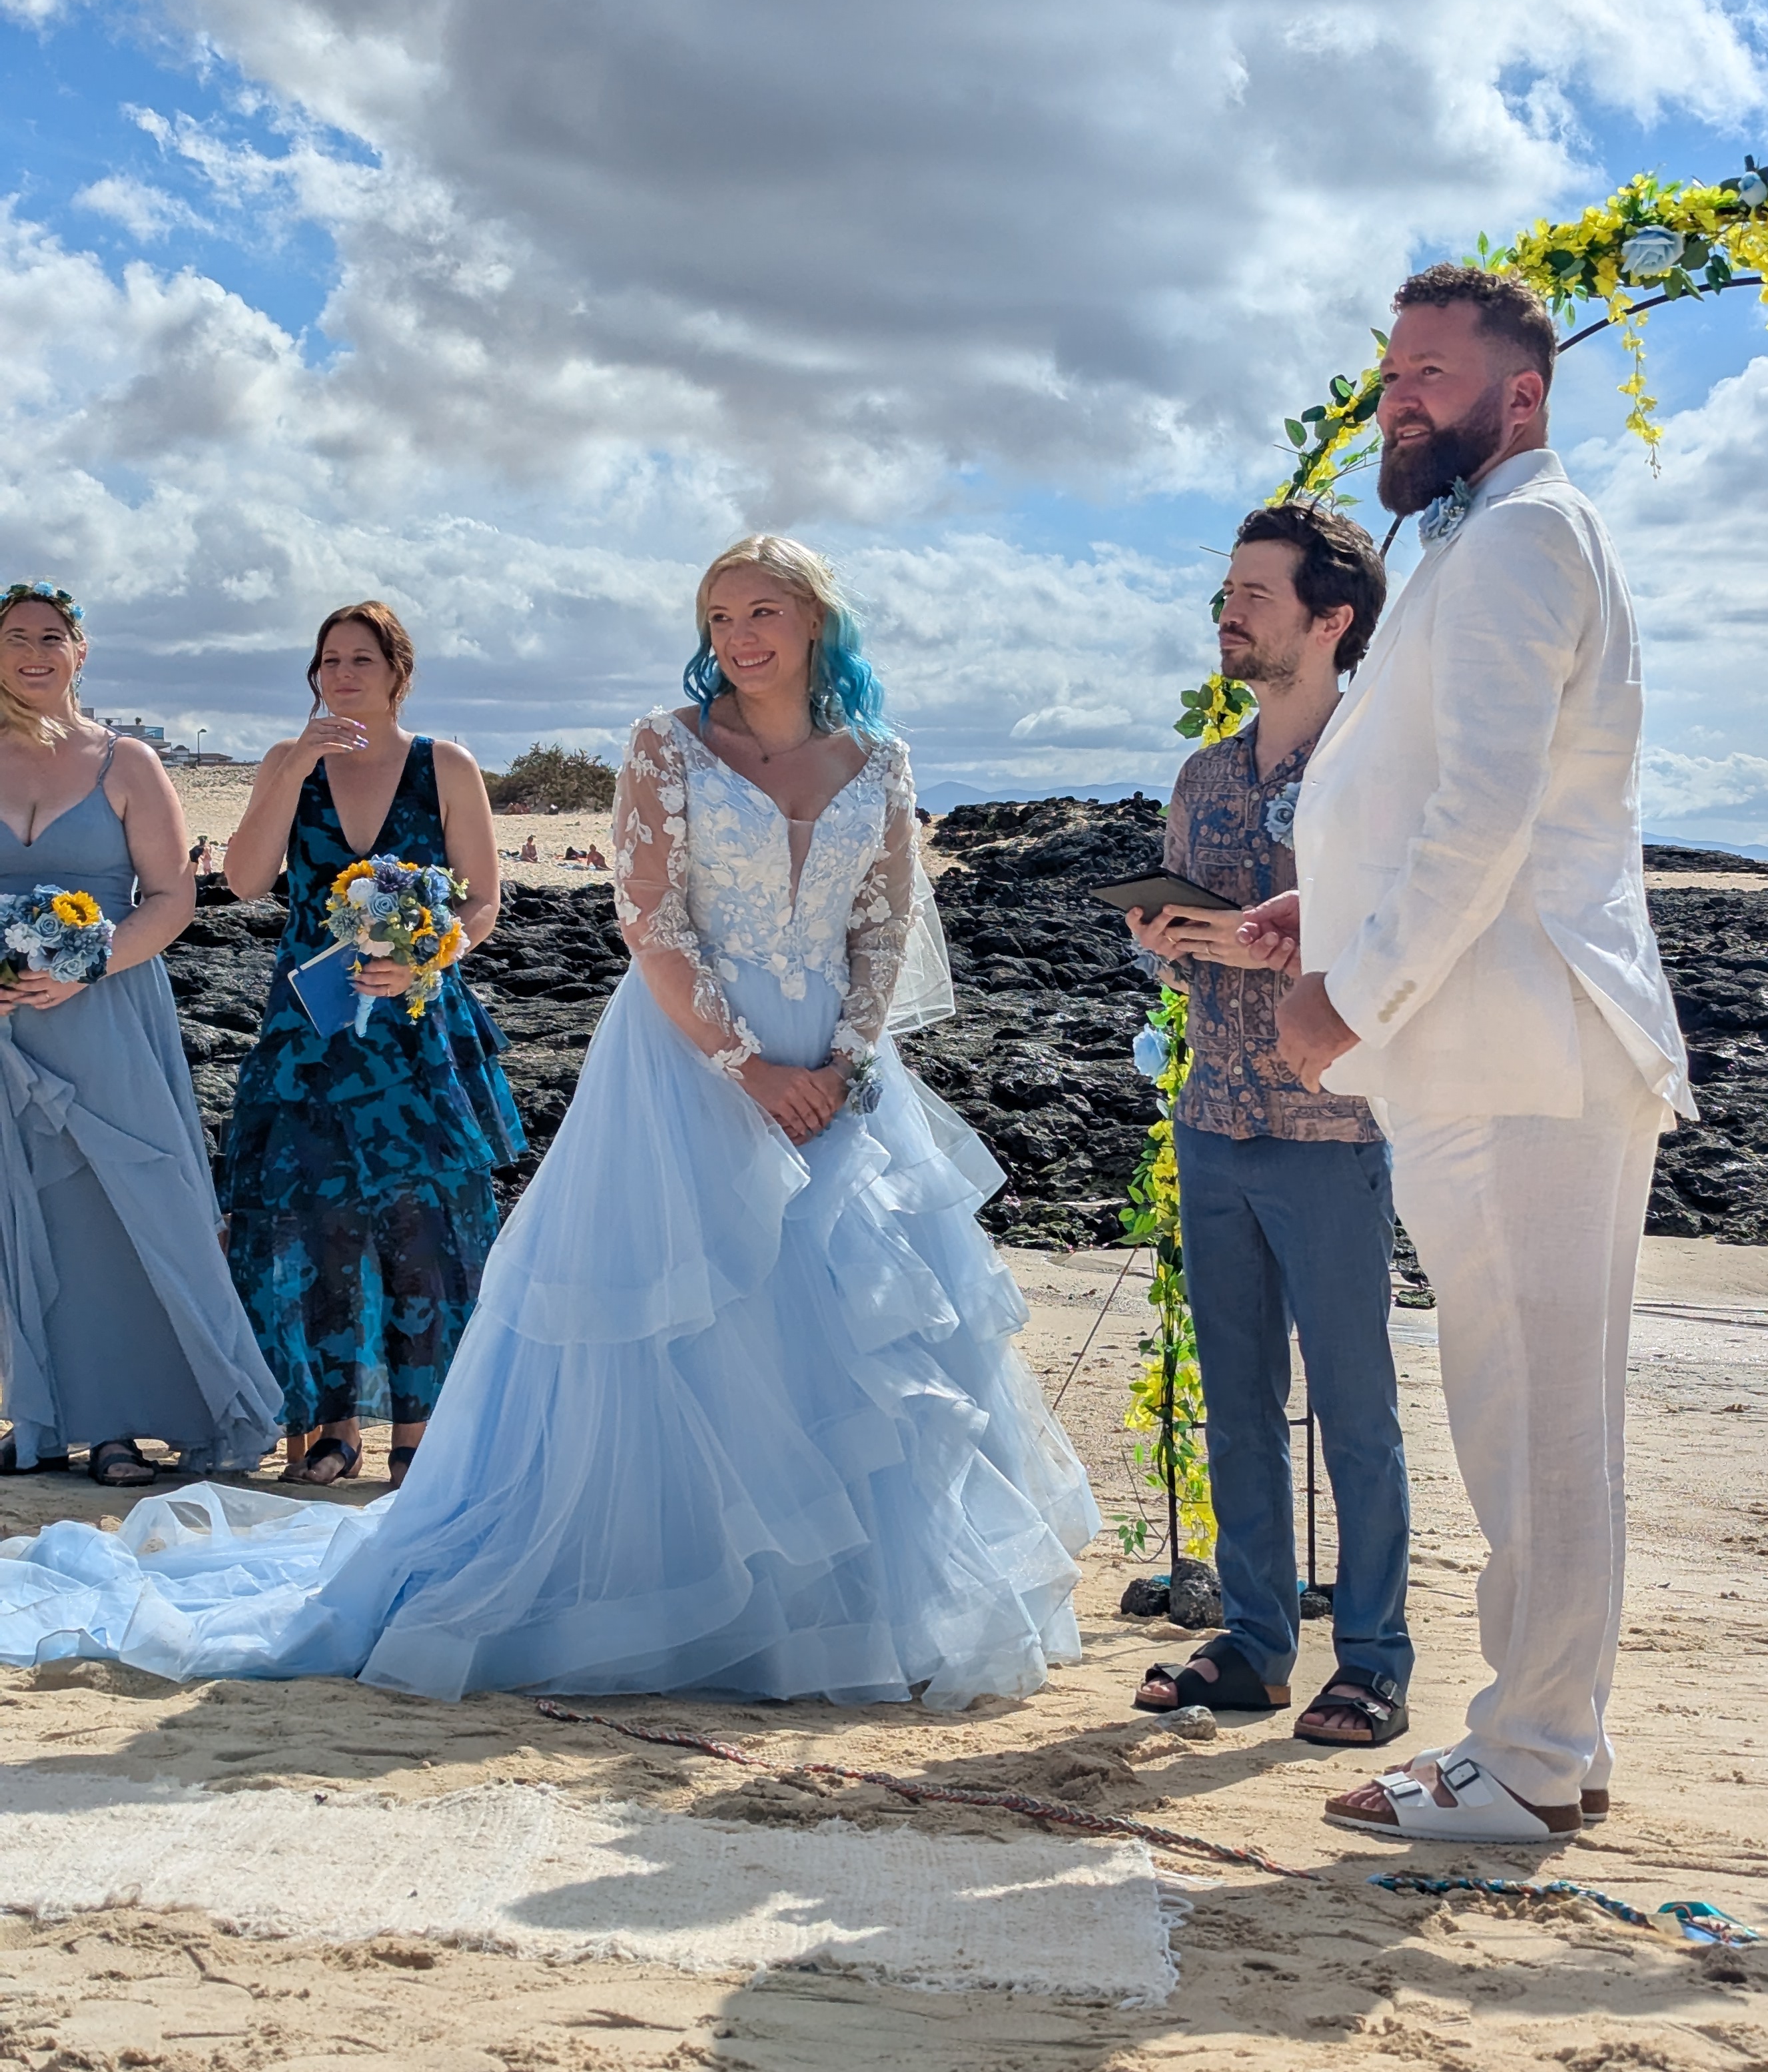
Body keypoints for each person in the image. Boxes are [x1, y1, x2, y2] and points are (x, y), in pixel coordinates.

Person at [0, 538, 1097, 1706]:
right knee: (640, 1298)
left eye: (763, 612)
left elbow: (881, 925)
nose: (738, 636)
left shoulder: (877, 759)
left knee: (841, 1312)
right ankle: (604, 1553)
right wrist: (745, 1063)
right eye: (718, 614)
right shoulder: (663, 745)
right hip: (659, 1057)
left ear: (820, 622)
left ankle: (845, 1608)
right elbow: (647, 920)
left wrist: (843, 1056)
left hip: (820, 1057)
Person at [1244, 265, 1692, 1843]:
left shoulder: (1520, 537)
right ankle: (1548, 1732)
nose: (1399, 400)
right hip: (1492, 1037)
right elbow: (1460, 799)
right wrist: (1333, 904)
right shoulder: (1485, 537)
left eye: (1429, 372)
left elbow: (1489, 815)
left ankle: (1532, 1757)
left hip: (1519, 1043)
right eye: (1388, 377)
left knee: (1539, 1409)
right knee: (1519, 1403)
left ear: (1525, 393)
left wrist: (1353, 996)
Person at [1124, 502, 1412, 1749]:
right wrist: (1168, 944)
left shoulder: (1381, 767)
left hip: (1337, 1126)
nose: (1229, 613)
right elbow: (1189, 970)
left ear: (1332, 617)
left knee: (1355, 1406)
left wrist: (1280, 939)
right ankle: (1251, 1646)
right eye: (1223, 594)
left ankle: (1375, 1660)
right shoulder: (1202, 776)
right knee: (1236, 1400)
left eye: (1255, 593)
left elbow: (1407, 935)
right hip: (1212, 1117)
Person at [221, 604, 524, 1490]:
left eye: (361, 659)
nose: (342, 675)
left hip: (419, 1028)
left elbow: (484, 905)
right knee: (317, 1223)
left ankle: (425, 1428)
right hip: (310, 1029)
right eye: (327, 662)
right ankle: (333, 1421)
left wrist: (429, 956)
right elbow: (245, 882)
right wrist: (293, 767)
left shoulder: (446, 766)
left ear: (399, 671)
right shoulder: (290, 763)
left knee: (426, 1222)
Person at [0, 580, 280, 1485]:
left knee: (137, 1209)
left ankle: (130, 1420)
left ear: (81, 654)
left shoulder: (126, 763)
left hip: (108, 1012)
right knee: (28, 1219)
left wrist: (88, 965)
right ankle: (44, 1417)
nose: (34, 652)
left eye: (52, 636)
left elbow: (171, 897)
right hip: (5, 1025)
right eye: (15, 638)